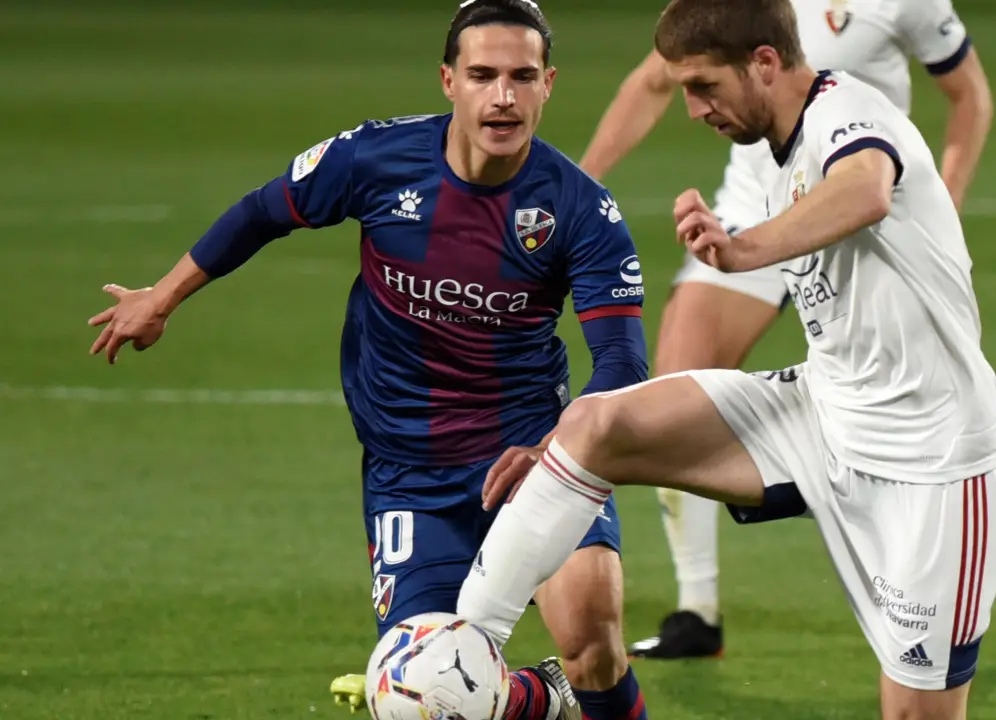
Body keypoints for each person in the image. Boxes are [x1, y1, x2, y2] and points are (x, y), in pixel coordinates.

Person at [454, 1, 996, 716]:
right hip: (822, 415)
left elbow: (866, 189)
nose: (694, 109)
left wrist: (741, 248)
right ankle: (461, 647)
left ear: (764, 63)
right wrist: (559, 464)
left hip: (932, 465)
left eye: (704, 86)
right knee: (592, 427)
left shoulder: (847, 112)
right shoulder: (778, 149)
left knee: (912, 712)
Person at [85, 2, 651, 719]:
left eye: (522, 76)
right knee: (426, 693)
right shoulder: (376, 158)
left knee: (592, 638)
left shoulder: (580, 210)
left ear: (549, 84)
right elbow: (264, 211)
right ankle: (534, 700)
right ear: (448, 81)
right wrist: (161, 298)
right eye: (483, 75)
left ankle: (558, 688)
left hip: (531, 459)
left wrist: (554, 451)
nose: (503, 97)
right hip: (409, 471)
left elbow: (622, 364)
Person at [578, 0, 996, 659]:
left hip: (858, 212)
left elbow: (969, 95)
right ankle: (697, 608)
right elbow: (656, 79)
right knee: (678, 377)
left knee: (930, 393)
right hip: (754, 213)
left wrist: (941, 200)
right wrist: (580, 186)